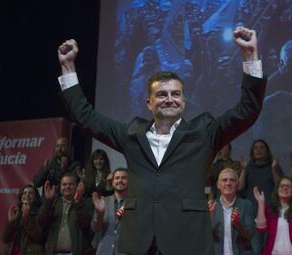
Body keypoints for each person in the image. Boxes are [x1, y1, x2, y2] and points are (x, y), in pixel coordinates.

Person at [56, 26, 266, 255]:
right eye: (162, 94)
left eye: (175, 94)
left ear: (184, 102)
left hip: (186, 242)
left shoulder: (204, 132)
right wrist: (68, 67)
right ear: (149, 103)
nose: (169, 99)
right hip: (138, 242)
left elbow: (247, 111)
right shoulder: (132, 135)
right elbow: (86, 117)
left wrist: (250, 55)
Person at [38, 172, 94, 255]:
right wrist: (48, 201)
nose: (67, 187)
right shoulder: (53, 203)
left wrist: (78, 202)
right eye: (64, 184)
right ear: (60, 187)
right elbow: (42, 222)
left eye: (71, 184)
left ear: (77, 186)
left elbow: (86, 226)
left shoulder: (86, 203)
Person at [254, 176, 292, 255]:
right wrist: (260, 203)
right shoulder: (270, 209)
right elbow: (261, 229)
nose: (285, 188)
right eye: (282, 185)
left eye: (288, 186)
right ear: (277, 190)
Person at [210, 168, 260, 255]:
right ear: (218, 185)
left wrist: (238, 223)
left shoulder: (246, 205)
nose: (228, 183)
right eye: (224, 180)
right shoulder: (210, 206)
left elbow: (250, 235)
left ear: (237, 184)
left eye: (232, 180)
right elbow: (201, 237)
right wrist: (207, 219)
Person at [91, 167, 129, 255]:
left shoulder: (135, 203)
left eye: (123, 178)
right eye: (117, 178)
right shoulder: (103, 201)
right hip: (104, 250)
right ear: (112, 182)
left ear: (129, 182)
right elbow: (95, 229)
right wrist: (99, 214)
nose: (120, 180)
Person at [1, 184, 45, 255]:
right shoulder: (16, 212)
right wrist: (10, 222)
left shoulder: (40, 213)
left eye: (31, 193)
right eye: (24, 193)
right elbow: (5, 239)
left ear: (36, 198)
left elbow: (39, 237)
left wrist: (26, 218)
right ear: (21, 197)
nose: (27, 195)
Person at [238, 139, 284, 206]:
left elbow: (280, 187)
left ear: (267, 152)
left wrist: (273, 169)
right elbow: (239, 187)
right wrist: (244, 169)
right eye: (255, 148)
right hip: (251, 208)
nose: (258, 150)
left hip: (270, 207)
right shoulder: (247, 167)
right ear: (252, 152)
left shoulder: (274, 165)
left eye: (261, 147)